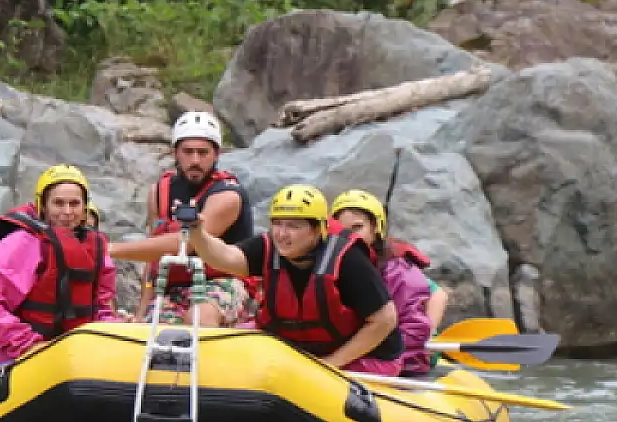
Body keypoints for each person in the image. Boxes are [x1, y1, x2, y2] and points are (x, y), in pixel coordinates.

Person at [183, 184, 403, 374]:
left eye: (293, 226)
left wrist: (330, 364)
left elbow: (384, 320)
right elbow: (225, 257)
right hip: (301, 347)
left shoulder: (349, 259)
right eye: (277, 223)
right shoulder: (269, 246)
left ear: (318, 229)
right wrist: (197, 233)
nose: (282, 234)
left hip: (364, 355)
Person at [109, 110, 254, 327]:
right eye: (188, 152)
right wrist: (141, 312)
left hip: (222, 282)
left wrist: (111, 249)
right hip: (173, 287)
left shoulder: (228, 195)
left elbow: (187, 242)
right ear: (175, 152)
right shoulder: (159, 192)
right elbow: (154, 256)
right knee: (153, 331)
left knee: (198, 318)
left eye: (203, 153)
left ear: (216, 154)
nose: (195, 160)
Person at [0, 164, 120, 365]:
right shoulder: (21, 243)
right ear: (43, 205)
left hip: (70, 356)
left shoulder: (96, 248)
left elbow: (101, 308)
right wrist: (29, 345)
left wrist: (115, 331)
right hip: (16, 355)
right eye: (58, 203)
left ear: (85, 208)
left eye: (74, 204)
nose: (67, 212)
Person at [330, 189, 448, 377]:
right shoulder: (333, 263)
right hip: (354, 351)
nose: (350, 236)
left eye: (357, 228)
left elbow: (435, 296)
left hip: (400, 356)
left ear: (375, 228)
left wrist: (430, 329)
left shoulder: (398, 271)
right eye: (343, 230)